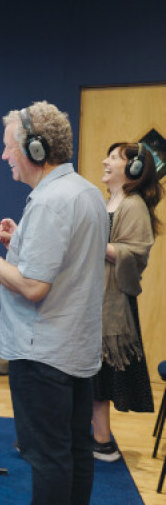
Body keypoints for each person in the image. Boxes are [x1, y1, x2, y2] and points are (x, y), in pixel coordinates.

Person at [0, 101, 107, 505]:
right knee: (75, 450)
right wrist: (19, 242)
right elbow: (62, 265)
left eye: (9, 147)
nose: (4, 156)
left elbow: (32, 287)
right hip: (75, 347)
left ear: (35, 148)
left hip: (42, 351)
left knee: (47, 455)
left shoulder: (49, 201)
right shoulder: (86, 192)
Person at [91, 142, 161, 462]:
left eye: (113, 157)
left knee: (101, 373)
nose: (105, 162)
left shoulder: (133, 205)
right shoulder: (108, 201)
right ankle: (98, 438)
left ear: (133, 168)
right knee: (93, 373)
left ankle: (103, 442)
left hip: (112, 304)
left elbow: (135, 254)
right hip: (94, 297)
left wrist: (92, 241)